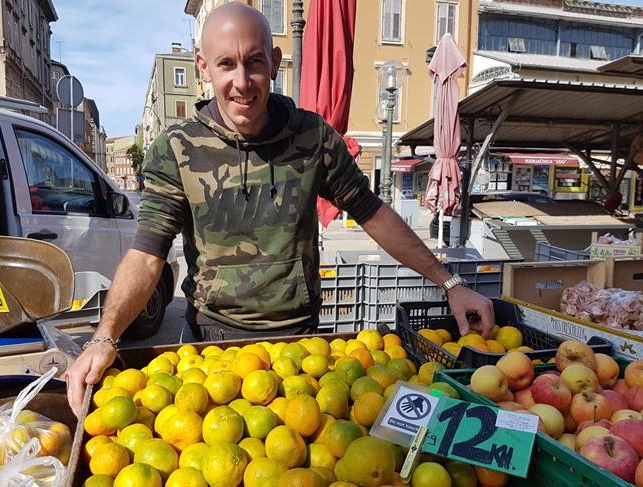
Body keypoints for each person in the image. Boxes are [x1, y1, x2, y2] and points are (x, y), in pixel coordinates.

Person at [65, 3, 494, 416]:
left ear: (273, 61)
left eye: (253, 62)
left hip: (302, 342)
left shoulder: (314, 138)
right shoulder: (175, 149)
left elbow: (372, 212)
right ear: (203, 68)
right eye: (226, 65)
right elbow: (147, 251)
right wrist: (106, 337)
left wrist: (450, 282)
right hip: (210, 344)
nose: (242, 81)